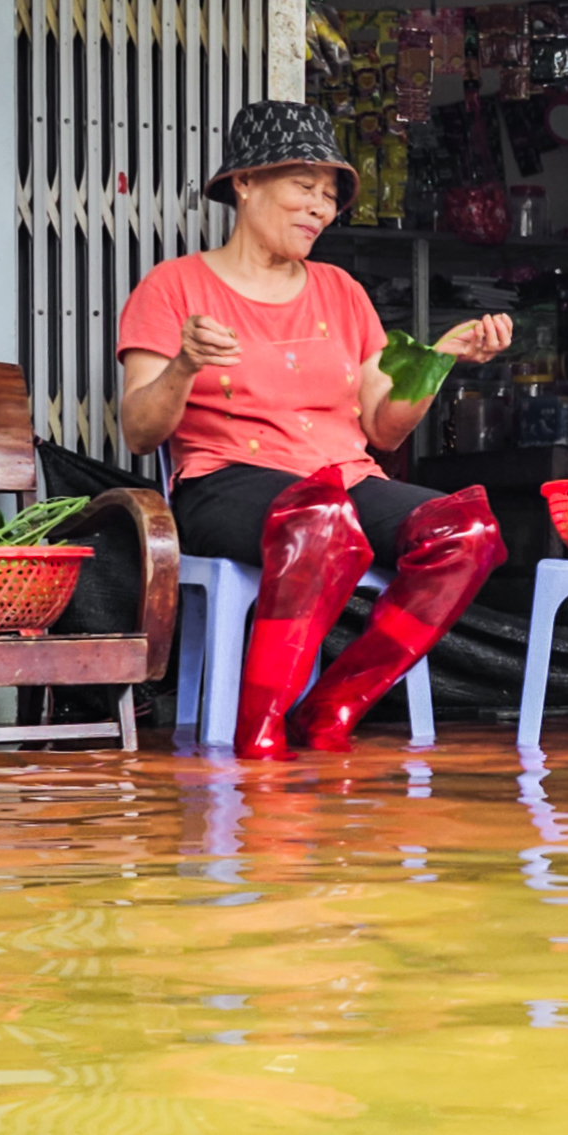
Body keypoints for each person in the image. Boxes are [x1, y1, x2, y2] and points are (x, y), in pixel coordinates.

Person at [118, 101, 511, 759]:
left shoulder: (341, 290)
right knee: (319, 518)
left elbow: (384, 430)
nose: (320, 209)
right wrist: (185, 363)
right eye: (304, 188)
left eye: (329, 197)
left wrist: (438, 359)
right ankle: (260, 727)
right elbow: (138, 431)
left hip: (343, 477)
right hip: (226, 481)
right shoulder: (174, 287)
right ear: (245, 183)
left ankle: (334, 705)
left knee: (467, 533)